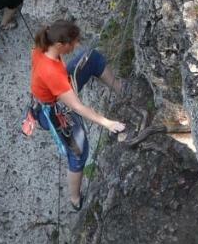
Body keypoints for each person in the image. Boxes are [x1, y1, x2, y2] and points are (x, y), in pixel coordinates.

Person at [29, 20, 126, 211]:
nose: (76, 46)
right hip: (53, 110)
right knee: (79, 153)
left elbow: (60, 73)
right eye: (72, 43)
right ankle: (74, 198)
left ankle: (123, 90)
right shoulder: (51, 73)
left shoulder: (42, 47)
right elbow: (78, 107)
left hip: (56, 89)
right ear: (59, 45)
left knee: (92, 58)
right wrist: (108, 123)